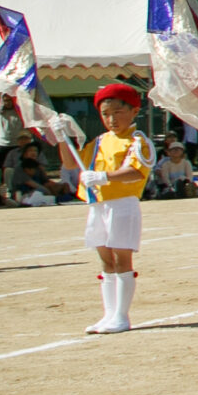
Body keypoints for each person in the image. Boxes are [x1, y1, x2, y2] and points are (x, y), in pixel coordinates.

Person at [48, 82, 153, 333]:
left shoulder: (137, 140)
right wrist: (62, 138)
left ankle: (121, 316)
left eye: (118, 112)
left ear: (134, 111)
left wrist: (104, 177)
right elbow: (71, 163)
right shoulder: (99, 141)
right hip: (98, 205)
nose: (111, 119)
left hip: (122, 204)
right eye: (105, 114)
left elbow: (136, 171)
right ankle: (108, 314)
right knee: (106, 260)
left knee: (121, 258)